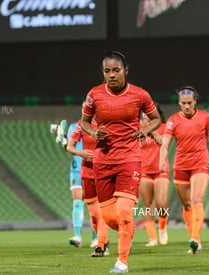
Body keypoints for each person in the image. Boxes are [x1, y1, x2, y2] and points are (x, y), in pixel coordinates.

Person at [81, 51, 161, 273]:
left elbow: (156, 118)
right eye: (107, 71)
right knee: (108, 217)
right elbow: (84, 122)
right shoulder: (94, 95)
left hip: (129, 159)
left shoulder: (139, 95)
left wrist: (145, 130)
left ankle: (122, 261)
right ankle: (128, 233)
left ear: (126, 70)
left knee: (125, 211)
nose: (111, 75)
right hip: (103, 161)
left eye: (116, 70)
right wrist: (94, 132)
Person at [159, 86, 209, 254]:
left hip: (200, 163)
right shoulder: (173, 120)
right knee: (187, 205)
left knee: (196, 200)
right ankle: (197, 242)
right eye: (183, 103)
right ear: (179, 103)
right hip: (180, 166)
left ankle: (194, 239)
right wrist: (162, 160)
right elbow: (165, 143)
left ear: (195, 101)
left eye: (189, 103)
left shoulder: (205, 118)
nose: (186, 106)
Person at [66, 118, 110, 256]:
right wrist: (81, 153)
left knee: (104, 209)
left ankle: (101, 244)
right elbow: (69, 146)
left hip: (105, 170)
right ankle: (97, 240)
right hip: (86, 171)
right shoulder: (81, 124)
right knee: (93, 212)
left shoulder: (109, 122)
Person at [54, 120, 98, 248]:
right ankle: (77, 236)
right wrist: (63, 141)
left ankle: (96, 237)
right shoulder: (75, 126)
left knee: (93, 204)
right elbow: (69, 146)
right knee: (78, 202)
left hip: (93, 168)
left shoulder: (99, 125)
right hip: (76, 169)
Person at [139, 104, 170, 247]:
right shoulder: (138, 131)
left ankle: (162, 228)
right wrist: (144, 131)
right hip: (144, 171)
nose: (145, 120)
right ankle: (152, 237)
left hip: (160, 170)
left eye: (148, 118)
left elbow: (164, 143)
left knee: (162, 204)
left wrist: (152, 132)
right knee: (147, 205)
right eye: (143, 118)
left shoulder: (163, 127)